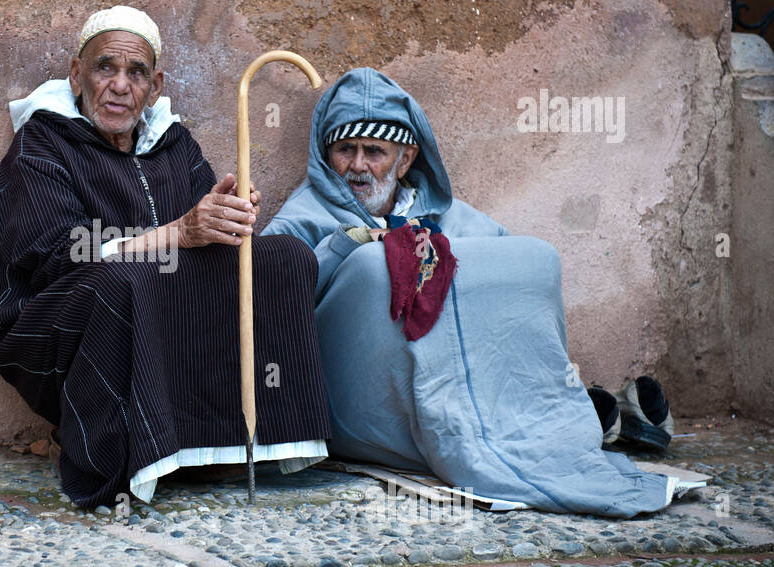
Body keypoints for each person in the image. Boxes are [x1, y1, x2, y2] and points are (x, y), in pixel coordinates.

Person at [263, 67, 685, 517]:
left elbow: (510, 287)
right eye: (346, 150)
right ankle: (520, 427)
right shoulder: (303, 214)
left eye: (374, 152)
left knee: (536, 259)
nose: (359, 166)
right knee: (374, 266)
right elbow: (268, 296)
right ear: (328, 154)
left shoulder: (450, 216)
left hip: (467, 393)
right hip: (357, 404)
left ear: (405, 160)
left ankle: (556, 417)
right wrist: (344, 246)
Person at [0, 6, 332, 509]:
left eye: (136, 73)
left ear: (155, 85)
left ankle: (230, 441)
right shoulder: (42, 143)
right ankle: (120, 453)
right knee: (120, 281)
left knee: (284, 257)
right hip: (54, 330)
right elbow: (61, 253)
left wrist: (229, 217)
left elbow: (209, 241)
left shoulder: (174, 144)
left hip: (163, 321)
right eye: (105, 68)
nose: (119, 86)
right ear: (77, 74)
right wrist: (179, 232)